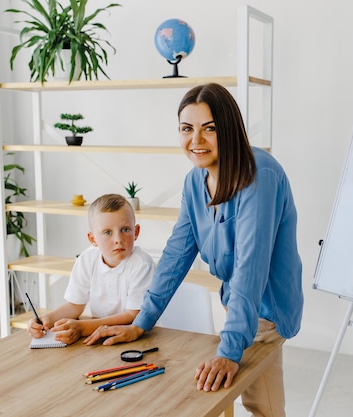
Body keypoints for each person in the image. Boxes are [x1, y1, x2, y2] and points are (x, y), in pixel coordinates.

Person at [85, 83, 303, 417]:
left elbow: (250, 268)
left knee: (262, 404)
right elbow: (176, 254)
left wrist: (229, 352)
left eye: (210, 129)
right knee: (219, 395)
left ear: (229, 129)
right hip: (237, 302)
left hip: (267, 310)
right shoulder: (195, 180)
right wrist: (142, 321)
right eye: (187, 129)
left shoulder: (259, 176)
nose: (196, 141)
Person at [27, 193, 154, 345]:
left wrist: (83, 327)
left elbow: (133, 315)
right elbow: (75, 305)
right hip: (98, 338)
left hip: (135, 339)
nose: (118, 239)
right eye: (107, 232)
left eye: (125, 229)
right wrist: (48, 319)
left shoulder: (142, 264)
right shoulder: (86, 261)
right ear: (92, 239)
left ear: (136, 232)